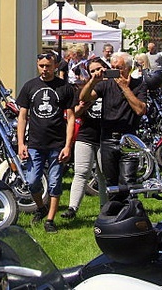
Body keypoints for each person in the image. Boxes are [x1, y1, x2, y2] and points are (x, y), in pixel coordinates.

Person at [16, 52, 75, 233]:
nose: (44, 69)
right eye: (41, 66)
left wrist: (68, 145)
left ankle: (50, 220)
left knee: (54, 182)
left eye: (48, 66)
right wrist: (21, 143)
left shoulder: (64, 87)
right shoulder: (30, 86)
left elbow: (71, 118)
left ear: (55, 66)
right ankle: (41, 207)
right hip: (34, 143)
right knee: (32, 181)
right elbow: (23, 117)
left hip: (57, 144)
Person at [78, 51, 147, 198]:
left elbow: (140, 110)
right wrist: (93, 81)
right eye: (113, 67)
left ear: (128, 68)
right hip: (108, 139)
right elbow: (83, 97)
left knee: (128, 182)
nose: (116, 71)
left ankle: (129, 211)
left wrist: (125, 88)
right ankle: (114, 212)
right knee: (111, 182)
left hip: (129, 139)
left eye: (119, 68)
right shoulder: (106, 84)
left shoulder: (138, 85)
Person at [61, 57, 108, 220]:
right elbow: (73, 114)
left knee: (103, 174)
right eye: (93, 71)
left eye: (99, 69)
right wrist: (80, 107)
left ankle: (105, 207)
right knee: (81, 172)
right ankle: (72, 208)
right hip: (86, 135)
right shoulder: (85, 88)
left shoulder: (112, 86)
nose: (96, 73)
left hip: (105, 135)